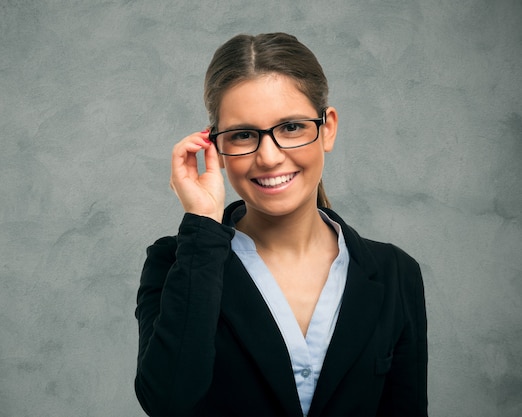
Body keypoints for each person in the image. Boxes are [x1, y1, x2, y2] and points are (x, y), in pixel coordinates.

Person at [134, 32, 427, 417]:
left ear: (327, 128)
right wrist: (202, 224)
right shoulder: (177, 262)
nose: (269, 158)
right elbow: (167, 403)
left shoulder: (395, 274)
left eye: (290, 127)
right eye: (243, 135)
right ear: (215, 146)